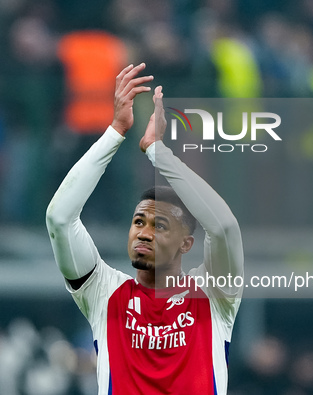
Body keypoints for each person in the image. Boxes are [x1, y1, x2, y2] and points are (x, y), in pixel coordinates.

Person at [46, 63, 244, 394]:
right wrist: (115, 131)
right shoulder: (104, 293)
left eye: (160, 226)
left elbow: (223, 228)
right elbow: (60, 218)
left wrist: (158, 152)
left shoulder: (213, 296)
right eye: (138, 222)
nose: (144, 232)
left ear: (186, 244)